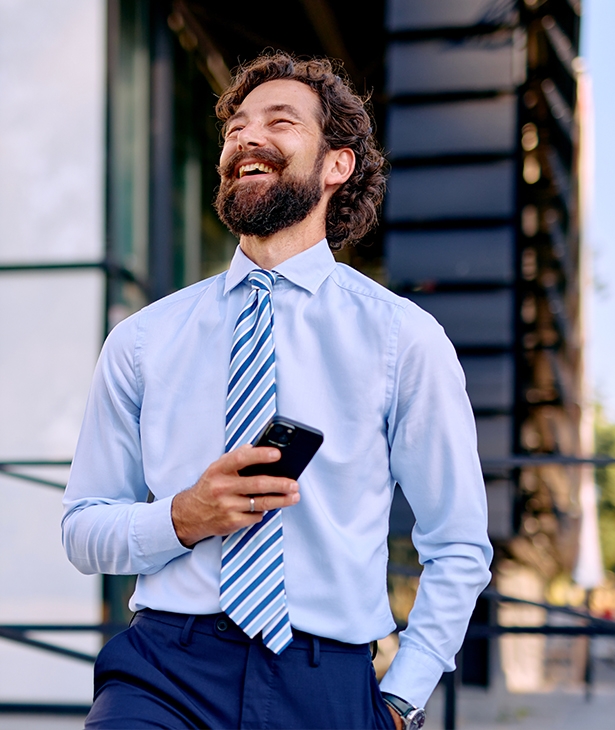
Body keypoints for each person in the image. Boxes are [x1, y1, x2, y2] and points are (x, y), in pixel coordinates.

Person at [62, 52, 492, 730]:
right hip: (166, 667)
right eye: (234, 129)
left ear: (336, 165)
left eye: (280, 121)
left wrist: (403, 699)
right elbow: (84, 530)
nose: (245, 138)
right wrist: (184, 515)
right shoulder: (143, 340)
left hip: (324, 680)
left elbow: (458, 543)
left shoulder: (402, 338)